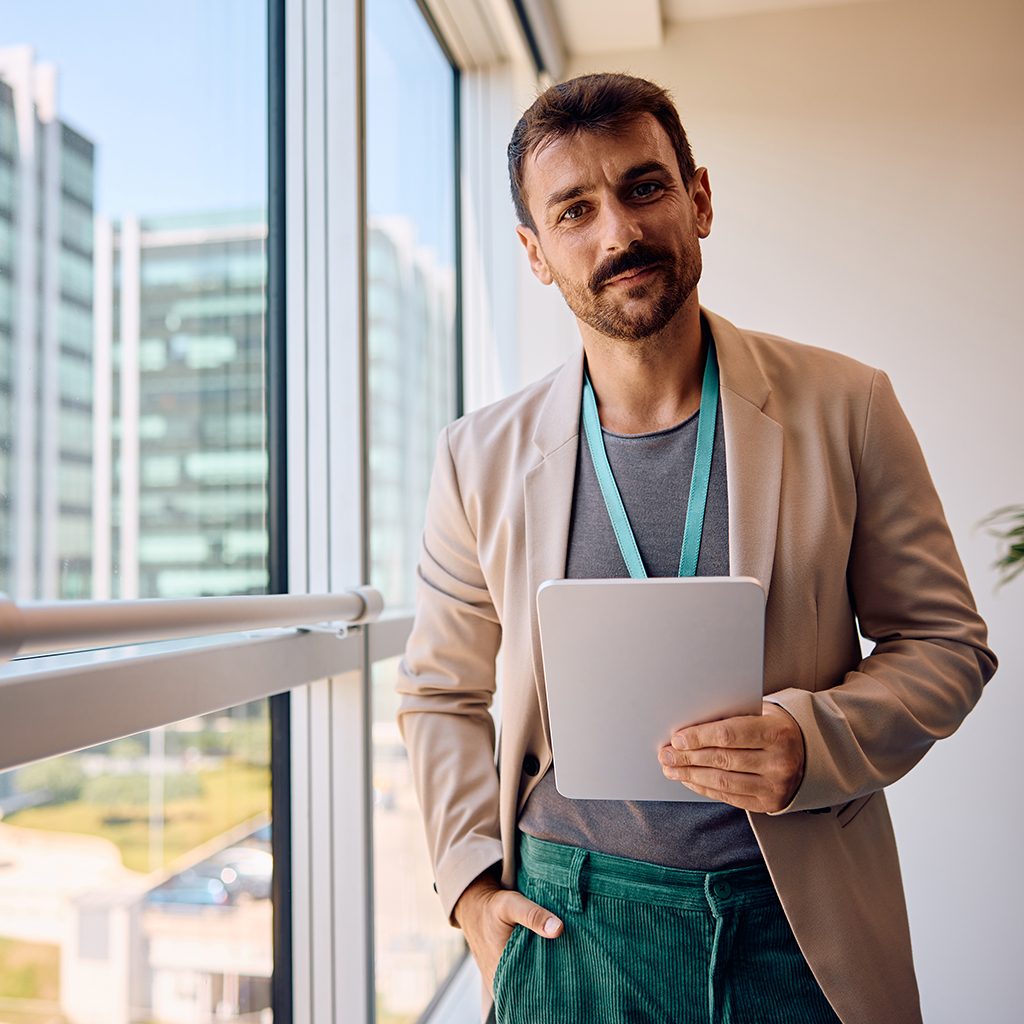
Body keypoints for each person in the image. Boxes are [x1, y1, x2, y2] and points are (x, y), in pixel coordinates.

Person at [396, 72, 996, 1024]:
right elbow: (439, 692)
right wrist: (471, 890)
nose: (618, 234)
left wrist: (814, 741)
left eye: (644, 188)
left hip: (794, 918)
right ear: (535, 253)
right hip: (568, 923)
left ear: (699, 199)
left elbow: (948, 647)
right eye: (575, 210)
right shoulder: (478, 458)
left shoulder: (850, 406)